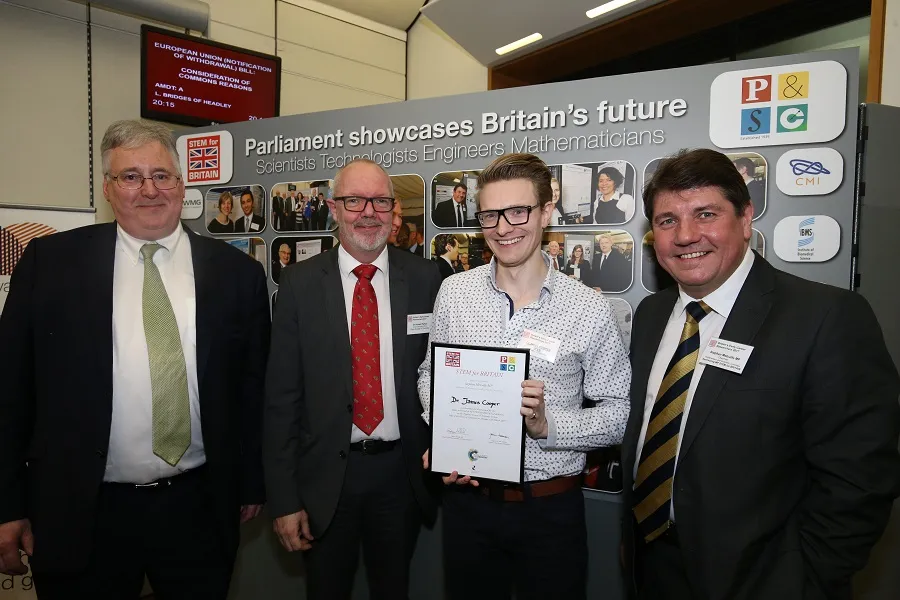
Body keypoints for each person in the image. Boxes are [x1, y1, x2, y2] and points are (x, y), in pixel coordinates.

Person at [0, 120, 270, 597]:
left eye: (161, 175)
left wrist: (251, 484)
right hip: (81, 507)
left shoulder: (238, 274)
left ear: (182, 185)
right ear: (108, 187)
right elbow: (9, 391)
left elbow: (252, 389)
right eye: (130, 176)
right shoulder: (49, 264)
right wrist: (7, 504)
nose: (149, 189)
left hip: (198, 506)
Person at [622, 148, 900, 600]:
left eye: (705, 213)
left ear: (746, 217)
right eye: (667, 220)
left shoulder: (825, 318)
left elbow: (862, 480)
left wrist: (804, 580)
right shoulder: (653, 315)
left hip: (765, 580)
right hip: (653, 568)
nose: (686, 235)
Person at [418, 153, 630, 600]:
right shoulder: (455, 293)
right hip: (468, 506)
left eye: (518, 211)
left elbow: (618, 412)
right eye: (490, 214)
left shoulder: (587, 308)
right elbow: (429, 374)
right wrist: (448, 437)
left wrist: (547, 425)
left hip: (549, 510)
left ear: (546, 211)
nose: (503, 227)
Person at [263, 158, 442, 600]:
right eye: (355, 200)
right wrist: (284, 500)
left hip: (401, 477)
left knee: (393, 590)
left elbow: (443, 372)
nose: (368, 212)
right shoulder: (299, 284)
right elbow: (281, 399)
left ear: (393, 210)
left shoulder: (426, 279)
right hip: (325, 481)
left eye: (380, 201)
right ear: (333, 207)